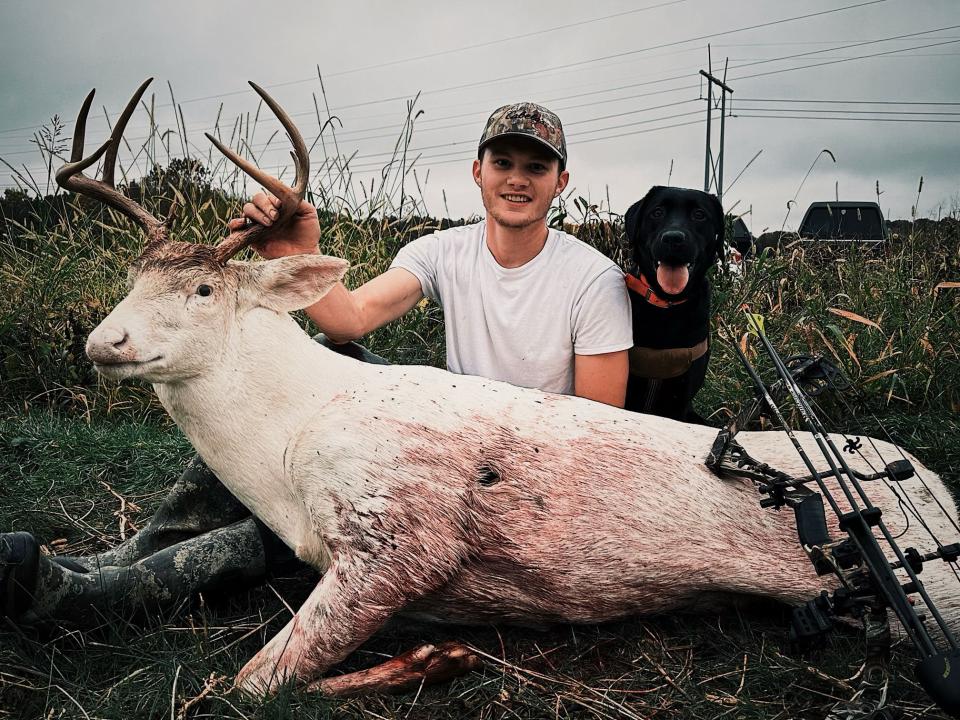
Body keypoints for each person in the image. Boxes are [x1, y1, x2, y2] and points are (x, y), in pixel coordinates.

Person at [0, 102, 633, 622]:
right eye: (504, 162)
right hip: (442, 424)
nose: (517, 178)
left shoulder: (591, 278)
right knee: (338, 363)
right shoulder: (442, 251)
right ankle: (134, 551)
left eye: (536, 166)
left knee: (322, 519)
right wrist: (299, 247)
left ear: (561, 182)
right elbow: (350, 320)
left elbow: (598, 424)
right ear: (478, 171)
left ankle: (98, 598)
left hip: (512, 462)